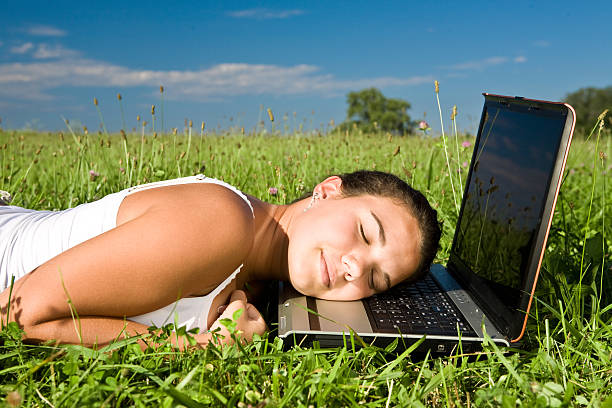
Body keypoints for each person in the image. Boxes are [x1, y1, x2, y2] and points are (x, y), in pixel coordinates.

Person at [0, 170, 441, 349]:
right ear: (325, 191)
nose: (353, 268)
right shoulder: (222, 223)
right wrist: (198, 349)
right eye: (365, 232)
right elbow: (17, 314)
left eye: (377, 278)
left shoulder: (265, 278)